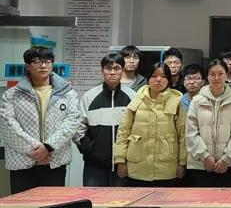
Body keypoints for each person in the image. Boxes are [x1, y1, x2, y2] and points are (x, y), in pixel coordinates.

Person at [0, 46, 80, 194]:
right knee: (22, 204)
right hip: (22, 162)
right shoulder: (12, 95)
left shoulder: (67, 93)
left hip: (55, 162)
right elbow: (8, 126)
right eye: (37, 61)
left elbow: (72, 122)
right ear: (28, 66)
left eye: (48, 61)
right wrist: (37, 150)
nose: (43, 66)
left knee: (53, 203)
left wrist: (48, 147)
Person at [114, 62, 186, 186]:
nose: (158, 79)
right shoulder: (137, 99)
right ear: (148, 78)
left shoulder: (177, 101)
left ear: (169, 80)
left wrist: (182, 163)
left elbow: (183, 134)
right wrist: (120, 160)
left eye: (163, 76)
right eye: (154, 76)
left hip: (167, 168)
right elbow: (123, 131)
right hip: (137, 166)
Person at [186, 60, 231, 187]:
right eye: (212, 74)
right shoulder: (196, 101)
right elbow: (191, 133)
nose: (216, 78)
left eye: (220, 74)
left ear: (226, 75)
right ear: (207, 77)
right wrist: (204, 156)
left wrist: (227, 158)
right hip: (201, 165)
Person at [77, 53, 137, 187]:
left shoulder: (133, 97)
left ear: (122, 70)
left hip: (124, 165)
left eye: (117, 68)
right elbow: (79, 127)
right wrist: (89, 149)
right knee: (94, 198)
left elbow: (138, 128)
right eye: (108, 68)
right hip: (94, 166)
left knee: (121, 199)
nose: (112, 72)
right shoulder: (89, 96)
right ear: (102, 71)